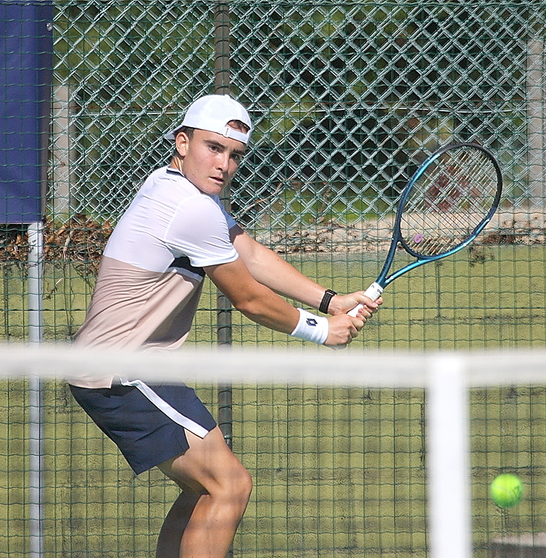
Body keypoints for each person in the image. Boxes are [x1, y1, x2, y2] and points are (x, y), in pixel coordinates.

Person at [67, 94, 381, 558]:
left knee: (206, 489)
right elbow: (249, 298)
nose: (224, 164)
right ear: (182, 142)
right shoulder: (189, 209)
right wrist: (322, 330)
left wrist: (331, 299)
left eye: (234, 155)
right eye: (213, 148)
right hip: (120, 373)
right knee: (229, 486)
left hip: (131, 370)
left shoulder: (170, 186)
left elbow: (248, 252)